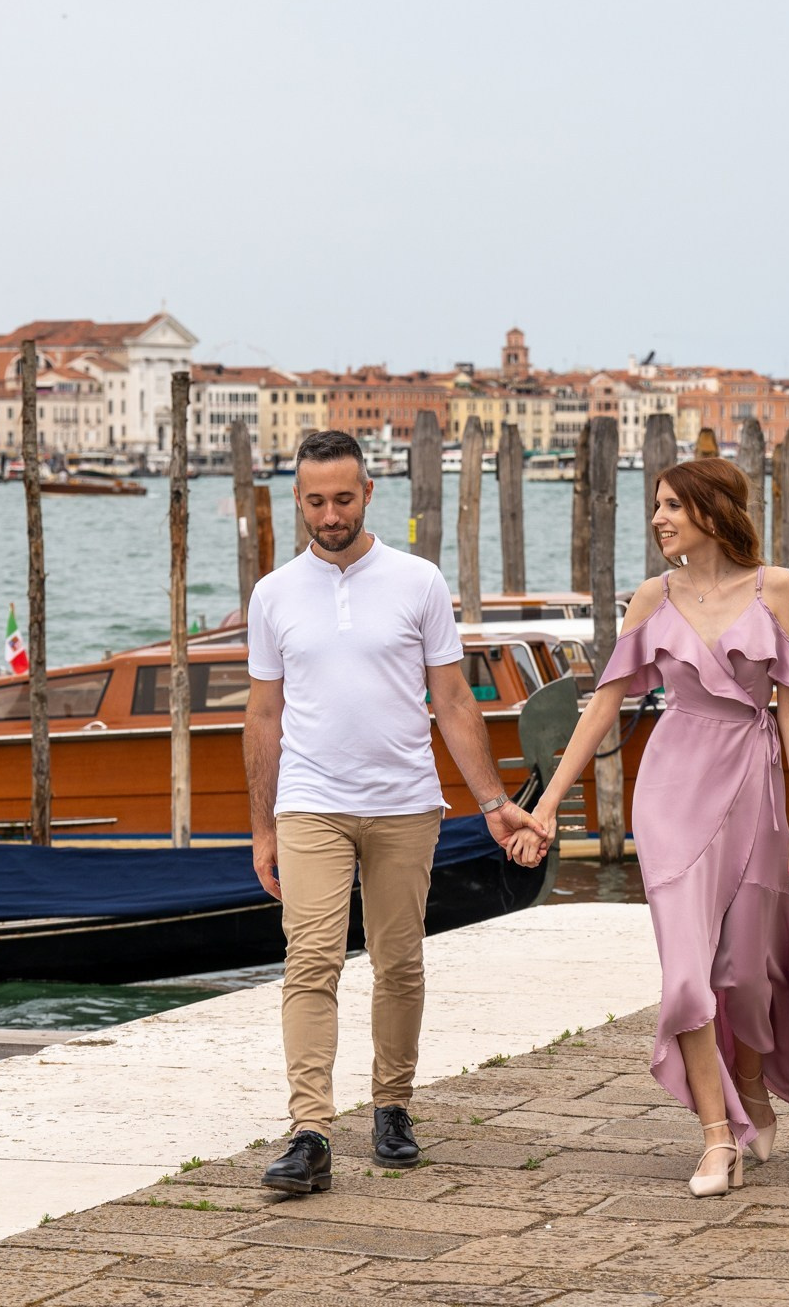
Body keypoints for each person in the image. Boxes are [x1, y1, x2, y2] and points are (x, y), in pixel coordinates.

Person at [244, 429, 547, 1195]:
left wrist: (493, 804)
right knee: (309, 959)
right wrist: (262, 825)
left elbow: (452, 700)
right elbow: (262, 716)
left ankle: (393, 1106)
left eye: (343, 498)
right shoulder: (273, 593)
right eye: (314, 500)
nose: (329, 513)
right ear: (299, 499)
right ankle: (310, 1129)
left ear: (368, 492)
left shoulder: (417, 581)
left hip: (406, 803)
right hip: (311, 801)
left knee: (399, 961)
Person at [512, 457, 789, 1197]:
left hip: (754, 789)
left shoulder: (775, 588)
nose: (659, 518)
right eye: (656, 505)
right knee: (686, 975)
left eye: (673, 504)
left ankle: (750, 1078)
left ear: (713, 510)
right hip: (673, 792)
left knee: (744, 976)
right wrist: (549, 804)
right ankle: (717, 1138)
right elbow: (603, 704)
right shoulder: (652, 598)